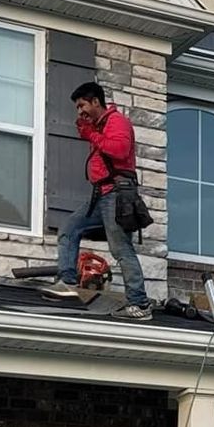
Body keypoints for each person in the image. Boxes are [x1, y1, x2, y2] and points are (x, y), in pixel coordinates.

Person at [46, 81, 151, 320]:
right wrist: (91, 132)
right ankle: (67, 283)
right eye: (77, 108)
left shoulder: (117, 122)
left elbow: (120, 150)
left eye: (82, 105)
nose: (79, 111)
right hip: (102, 195)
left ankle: (140, 303)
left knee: (121, 248)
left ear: (96, 101)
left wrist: (91, 134)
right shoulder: (101, 125)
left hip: (115, 194)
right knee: (69, 228)